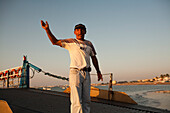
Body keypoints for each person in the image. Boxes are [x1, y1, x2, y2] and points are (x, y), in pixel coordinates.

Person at [41, 20, 103, 113]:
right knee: (76, 101)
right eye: (78, 30)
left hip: (87, 73)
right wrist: (47, 30)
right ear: (74, 32)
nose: (80, 32)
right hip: (75, 72)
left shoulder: (89, 44)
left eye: (82, 30)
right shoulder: (71, 42)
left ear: (85, 32)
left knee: (87, 100)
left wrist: (98, 71)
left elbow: (94, 58)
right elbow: (55, 42)